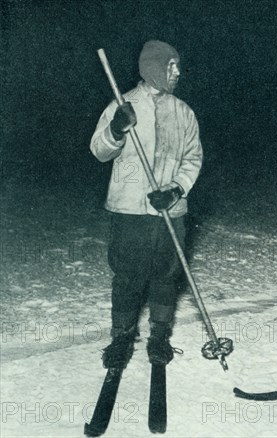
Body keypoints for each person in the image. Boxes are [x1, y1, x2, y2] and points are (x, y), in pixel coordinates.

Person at [90, 40, 203, 368]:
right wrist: (115, 130)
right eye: (172, 66)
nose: (178, 72)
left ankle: (159, 337)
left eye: (178, 67)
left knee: (167, 275)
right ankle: (121, 338)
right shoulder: (123, 105)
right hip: (130, 211)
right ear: (154, 67)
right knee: (127, 276)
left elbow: (193, 157)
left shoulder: (183, 112)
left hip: (170, 209)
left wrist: (176, 189)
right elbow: (99, 150)